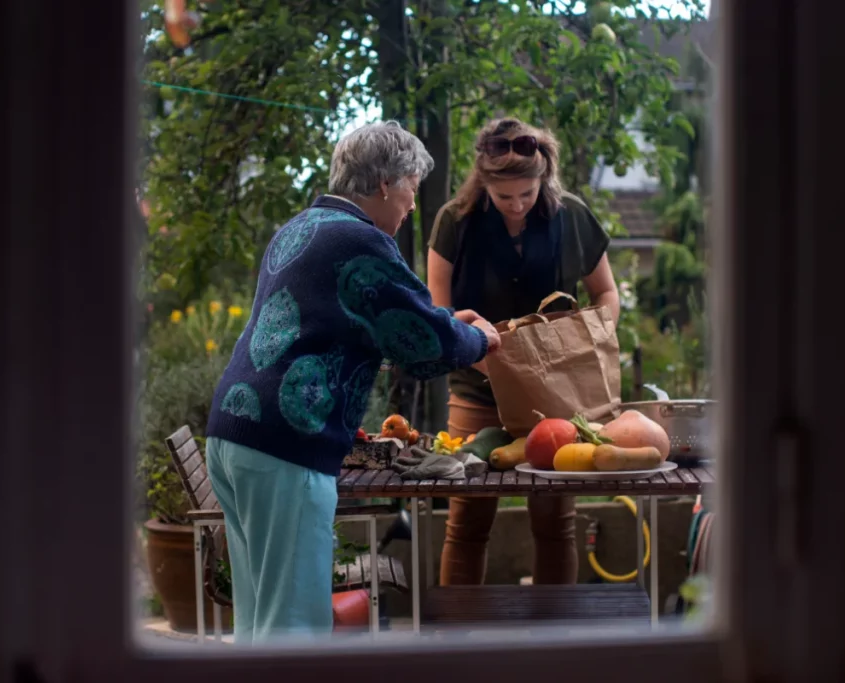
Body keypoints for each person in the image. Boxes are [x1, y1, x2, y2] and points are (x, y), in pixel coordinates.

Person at [204, 120, 501, 644]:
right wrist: (480, 341)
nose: (412, 204)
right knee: (293, 629)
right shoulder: (360, 240)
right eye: (411, 186)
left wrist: (449, 321)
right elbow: (423, 342)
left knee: (258, 623)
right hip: (286, 447)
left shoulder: (303, 226)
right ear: (385, 183)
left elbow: (381, 318)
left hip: (236, 434)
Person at [426, 117, 620, 586]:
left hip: (557, 395)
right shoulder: (454, 222)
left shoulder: (573, 216)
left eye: (527, 196)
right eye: (504, 197)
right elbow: (438, 313)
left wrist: (586, 340)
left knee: (554, 525)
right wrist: (481, 357)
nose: (516, 206)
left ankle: (556, 640)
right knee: (468, 523)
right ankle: (459, 639)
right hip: (477, 391)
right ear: (484, 183)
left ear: (544, 178)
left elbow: (608, 296)